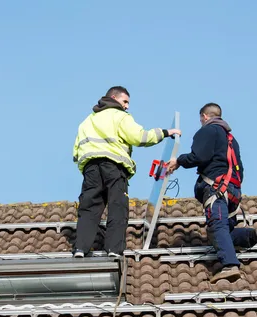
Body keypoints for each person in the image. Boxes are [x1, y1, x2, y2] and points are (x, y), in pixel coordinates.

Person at [167, 102, 257, 282]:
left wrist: (178, 161)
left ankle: (230, 265)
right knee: (222, 233)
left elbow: (198, 157)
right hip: (233, 192)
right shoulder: (231, 139)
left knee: (217, 226)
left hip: (216, 189)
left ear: (205, 116)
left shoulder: (207, 131)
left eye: (200, 119)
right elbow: (240, 169)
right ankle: (254, 235)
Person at [72, 86, 181, 258]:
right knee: (117, 206)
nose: (127, 106)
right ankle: (114, 250)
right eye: (125, 101)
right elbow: (140, 137)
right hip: (114, 166)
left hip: (90, 168)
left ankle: (80, 249)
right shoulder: (120, 116)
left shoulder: (88, 120)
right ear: (114, 98)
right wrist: (166, 133)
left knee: (89, 208)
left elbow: (76, 150)